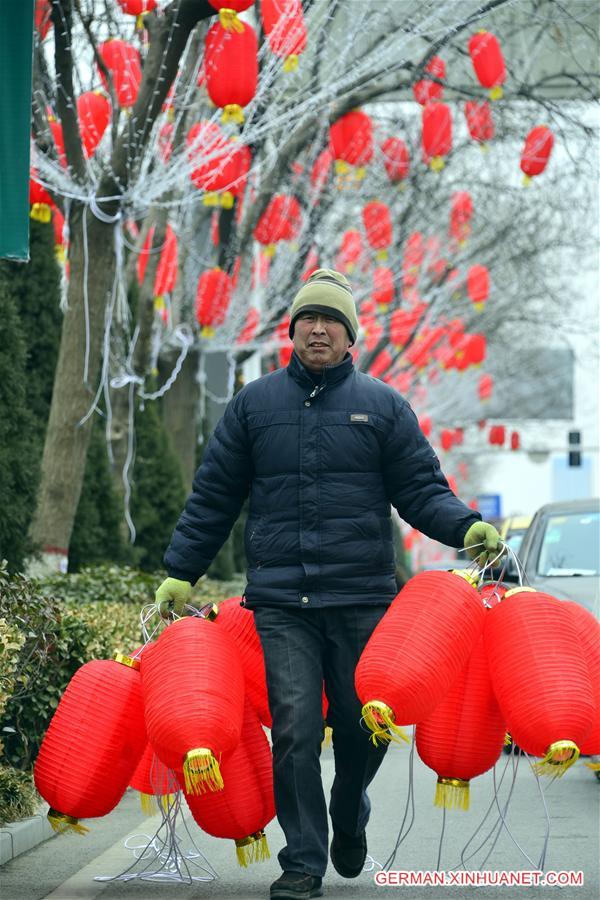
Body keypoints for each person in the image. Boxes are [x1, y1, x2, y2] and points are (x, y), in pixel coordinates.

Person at [155, 269, 502, 900]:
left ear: (350, 338)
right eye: (308, 320)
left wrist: (466, 527)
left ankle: (349, 805)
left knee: (362, 723)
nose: (318, 329)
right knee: (294, 727)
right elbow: (213, 498)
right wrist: (181, 572)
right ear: (293, 332)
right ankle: (303, 860)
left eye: (331, 321)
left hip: (363, 597)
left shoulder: (383, 406)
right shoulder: (254, 406)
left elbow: (421, 490)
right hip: (283, 601)